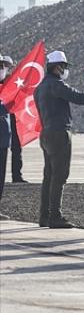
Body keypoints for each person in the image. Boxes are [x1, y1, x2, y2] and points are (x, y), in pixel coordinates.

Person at [36, 50, 84, 228]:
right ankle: (55, 216)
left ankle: (44, 216)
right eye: (63, 66)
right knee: (60, 176)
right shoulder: (57, 85)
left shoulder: (40, 87)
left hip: (46, 132)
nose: (64, 70)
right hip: (59, 133)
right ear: (56, 68)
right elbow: (79, 98)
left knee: (49, 176)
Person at [0, 54, 12, 217]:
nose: (3, 69)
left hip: (3, 140)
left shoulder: (7, 87)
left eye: (3, 66)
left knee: (1, 176)